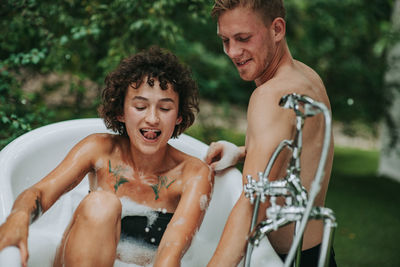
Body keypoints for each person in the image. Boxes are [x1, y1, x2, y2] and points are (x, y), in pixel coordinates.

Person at [0, 46, 213, 267]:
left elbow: (169, 257)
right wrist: (19, 217)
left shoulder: (194, 174)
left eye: (165, 109)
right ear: (120, 112)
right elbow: (40, 192)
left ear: (179, 117)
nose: (152, 118)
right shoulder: (99, 149)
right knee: (102, 204)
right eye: (140, 106)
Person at [205, 0, 336, 266]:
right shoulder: (306, 77)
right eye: (225, 40)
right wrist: (243, 152)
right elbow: (298, 153)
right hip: (316, 253)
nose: (232, 51)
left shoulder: (270, 96)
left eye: (243, 38)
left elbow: (252, 205)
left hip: (283, 259)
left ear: (277, 29)